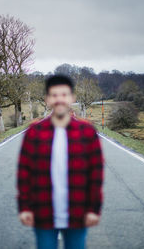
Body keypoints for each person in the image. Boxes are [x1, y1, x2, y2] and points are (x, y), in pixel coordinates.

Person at [16, 74, 105, 249]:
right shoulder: (34, 132)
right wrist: (24, 207)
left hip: (78, 213)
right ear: (47, 99)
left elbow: (96, 174)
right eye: (54, 95)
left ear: (72, 98)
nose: (59, 99)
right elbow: (24, 173)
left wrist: (94, 209)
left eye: (64, 95)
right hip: (43, 213)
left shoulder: (87, 132)